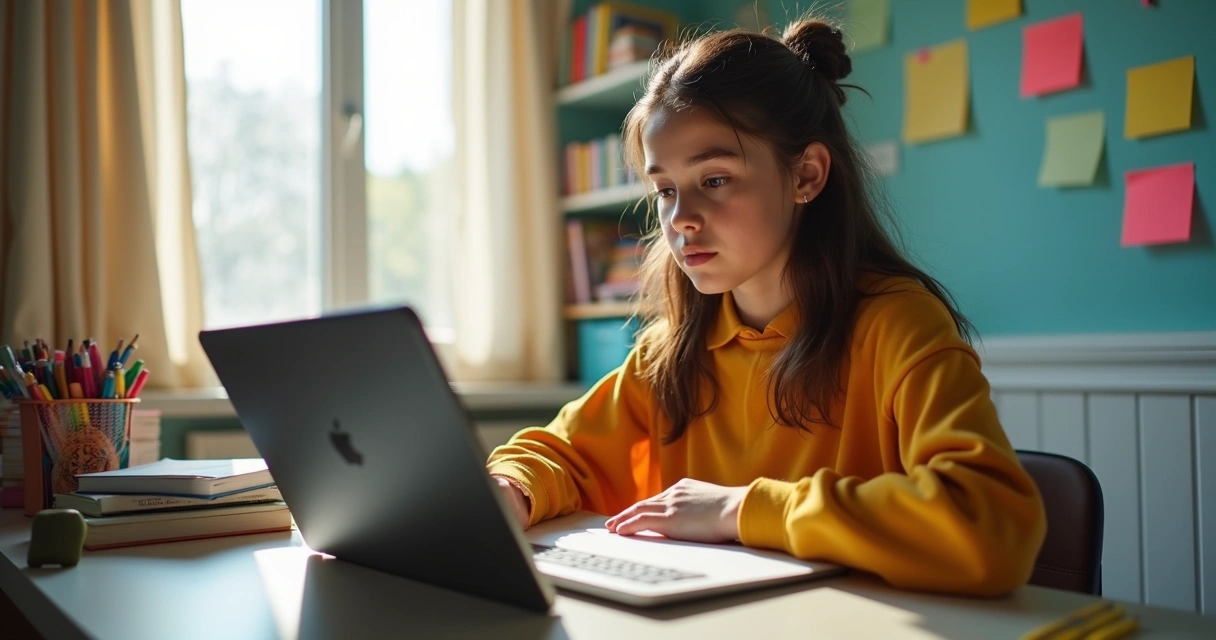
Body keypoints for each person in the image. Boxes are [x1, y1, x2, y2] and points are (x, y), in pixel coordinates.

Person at [487, 18, 1046, 596]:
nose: (681, 218)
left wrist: (740, 510)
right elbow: (561, 454)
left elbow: (988, 525)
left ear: (806, 175)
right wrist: (512, 488)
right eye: (666, 189)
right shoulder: (672, 349)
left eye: (716, 178)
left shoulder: (896, 323)